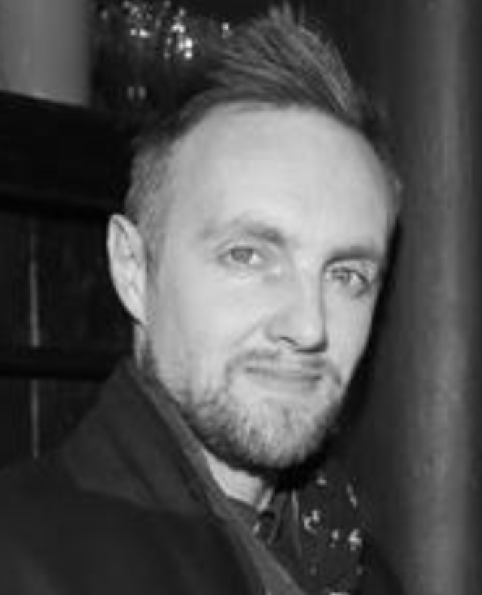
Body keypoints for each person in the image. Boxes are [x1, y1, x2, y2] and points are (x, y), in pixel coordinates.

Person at [0, 5, 401, 595]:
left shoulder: (357, 566)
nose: (309, 326)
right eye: (248, 255)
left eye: (346, 275)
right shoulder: (22, 559)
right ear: (133, 268)